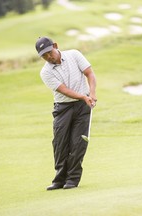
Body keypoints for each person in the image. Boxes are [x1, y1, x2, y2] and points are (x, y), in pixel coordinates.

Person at [35, 36, 97, 190]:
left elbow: (90, 73)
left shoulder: (74, 55)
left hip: (82, 106)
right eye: (44, 56)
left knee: (78, 142)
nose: (48, 57)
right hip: (63, 108)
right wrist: (83, 96)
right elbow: (64, 90)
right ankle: (59, 180)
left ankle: (72, 179)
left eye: (49, 52)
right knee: (60, 143)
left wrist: (92, 94)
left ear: (55, 46)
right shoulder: (45, 72)